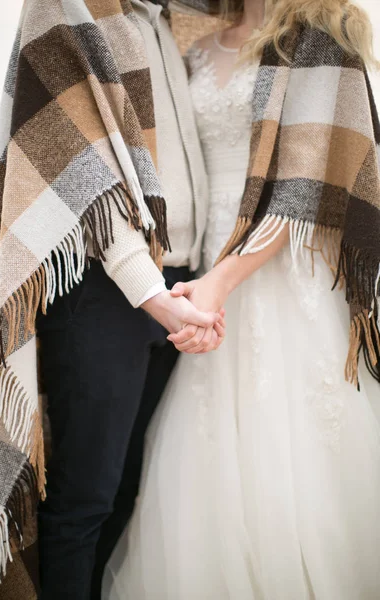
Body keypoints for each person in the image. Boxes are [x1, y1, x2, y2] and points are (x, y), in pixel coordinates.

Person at [104, 0, 380, 597]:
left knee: (294, 447)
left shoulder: (322, 35)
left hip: (282, 269)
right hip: (203, 267)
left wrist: (220, 282)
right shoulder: (195, 45)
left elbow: (307, 187)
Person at [0, 0, 224, 598]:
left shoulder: (168, 18)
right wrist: (151, 294)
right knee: (82, 499)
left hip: (179, 280)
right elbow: (83, 176)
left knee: (128, 491)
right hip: (107, 289)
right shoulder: (68, 8)